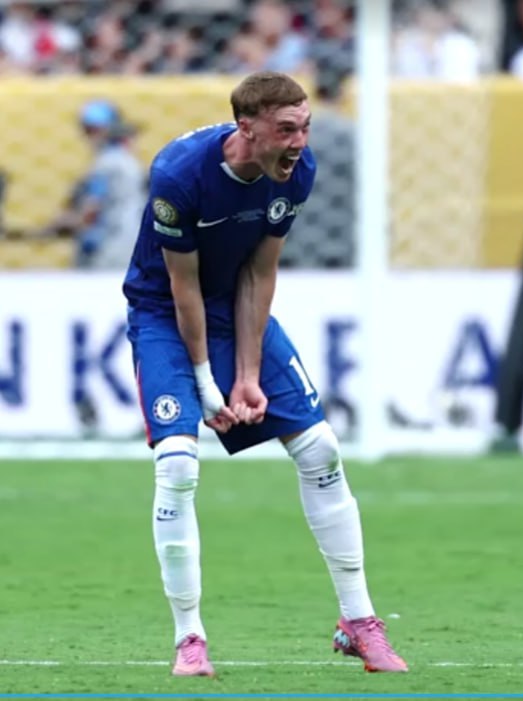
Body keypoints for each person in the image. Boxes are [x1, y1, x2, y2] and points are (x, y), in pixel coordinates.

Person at [122, 71, 408, 677]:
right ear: (246, 128)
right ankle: (189, 638)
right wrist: (208, 385)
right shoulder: (178, 173)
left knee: (321, 448)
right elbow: (182, 285)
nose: (300, 141)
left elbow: (258, 273)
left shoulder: (296, 172)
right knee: (177, 465)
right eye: (286, 129)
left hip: (236, 309)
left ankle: (359, 622)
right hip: (165, 314)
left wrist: (248, 375)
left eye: (304, 127)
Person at [44, 99, 145, 270]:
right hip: (129, 245)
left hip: (107, 250)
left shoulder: (105, 165)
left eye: (92, 130)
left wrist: (59, 225)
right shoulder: (129, 162)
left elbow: (91, 211)